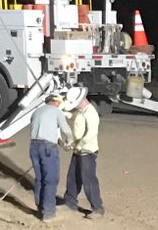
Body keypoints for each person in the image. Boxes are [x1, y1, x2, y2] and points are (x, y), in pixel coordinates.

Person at [61, 87, 105, 218]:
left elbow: (91, 134)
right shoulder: (81, 111)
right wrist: (63, 113)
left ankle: (97, 208)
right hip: (78, 150)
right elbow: (74, 116)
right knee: (73, 177)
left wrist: (77, 145)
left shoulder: (91, 113)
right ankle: (70, 202)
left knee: (89, 180)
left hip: (87, 151)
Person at [29, 92, 73, 222]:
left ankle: (40, 208)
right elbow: (66, 130)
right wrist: (69, 141)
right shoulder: (57, 112)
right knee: (51, 179)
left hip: (34, 146)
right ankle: (48, 212)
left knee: (39, 178)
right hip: (48, 148)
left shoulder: (36, 112)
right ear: (57, 102)